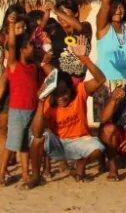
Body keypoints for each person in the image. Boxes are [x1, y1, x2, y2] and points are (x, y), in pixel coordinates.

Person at [27, 37, 106, 188]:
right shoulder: (49, 100)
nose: (61, 98)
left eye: (65, 93)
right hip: (57, 143)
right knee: (36, 138)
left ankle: (81, 163)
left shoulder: (80, 91)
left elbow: (101, 79)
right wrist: (41, 102)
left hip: (79, 141)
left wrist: (84, 58)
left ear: (71, 89)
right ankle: (36, 176)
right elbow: (37, 132)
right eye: (57, 94)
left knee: (99, 148)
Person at [1, 19, 48, 187]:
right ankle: (1, 173)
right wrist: (12, 27)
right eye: (29, 46)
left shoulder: (33, 67)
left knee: (23, 145)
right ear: (22, 49)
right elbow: (12, 46)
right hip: (18, 110)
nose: (33, 48)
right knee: (12, 143)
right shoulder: (14, 65)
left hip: (31, 108)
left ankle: (25, 174)